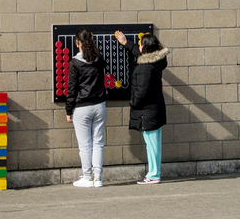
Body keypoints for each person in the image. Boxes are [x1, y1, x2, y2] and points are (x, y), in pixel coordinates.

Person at [117, 30, 169, 184]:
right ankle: (155, 173)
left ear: (145, 48)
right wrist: (126, 43)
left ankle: (153, 175)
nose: (138, 46)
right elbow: (138, 53)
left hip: (147, 112)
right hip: (154, 110)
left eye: (140, 44)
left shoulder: (145, 68)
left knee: (151, 146)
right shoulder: (155, 61)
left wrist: (133, 103)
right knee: (155, 145)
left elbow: (142, 92)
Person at [65, 29, 107, 187]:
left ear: (77, 42)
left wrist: (68, 110)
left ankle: (88, 177)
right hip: (100, 106)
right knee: (98, 143)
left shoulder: (75, 63)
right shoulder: (99, 58)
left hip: (82, 107)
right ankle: (98, 177)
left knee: (85, 145)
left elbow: (72, 89)